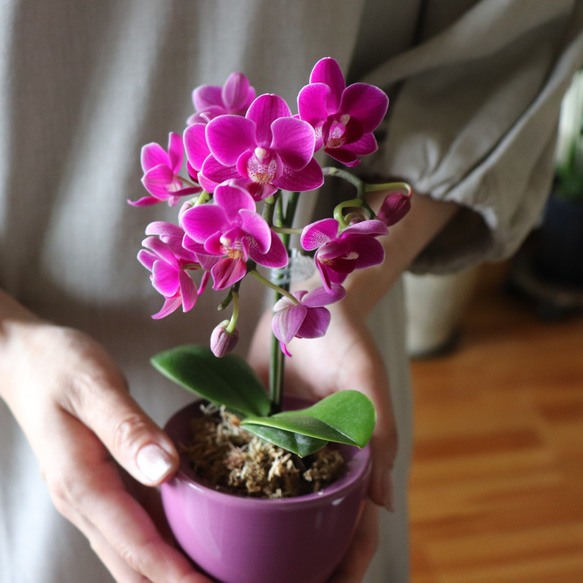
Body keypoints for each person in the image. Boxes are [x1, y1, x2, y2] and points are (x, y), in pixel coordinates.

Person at [1, 1, 582, 582]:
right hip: (33, 402)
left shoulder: (298, 182)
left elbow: (515, 38)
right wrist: (10, 344)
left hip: (330, 348)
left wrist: (342, 288)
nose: (259, 165)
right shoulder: (235, 206)